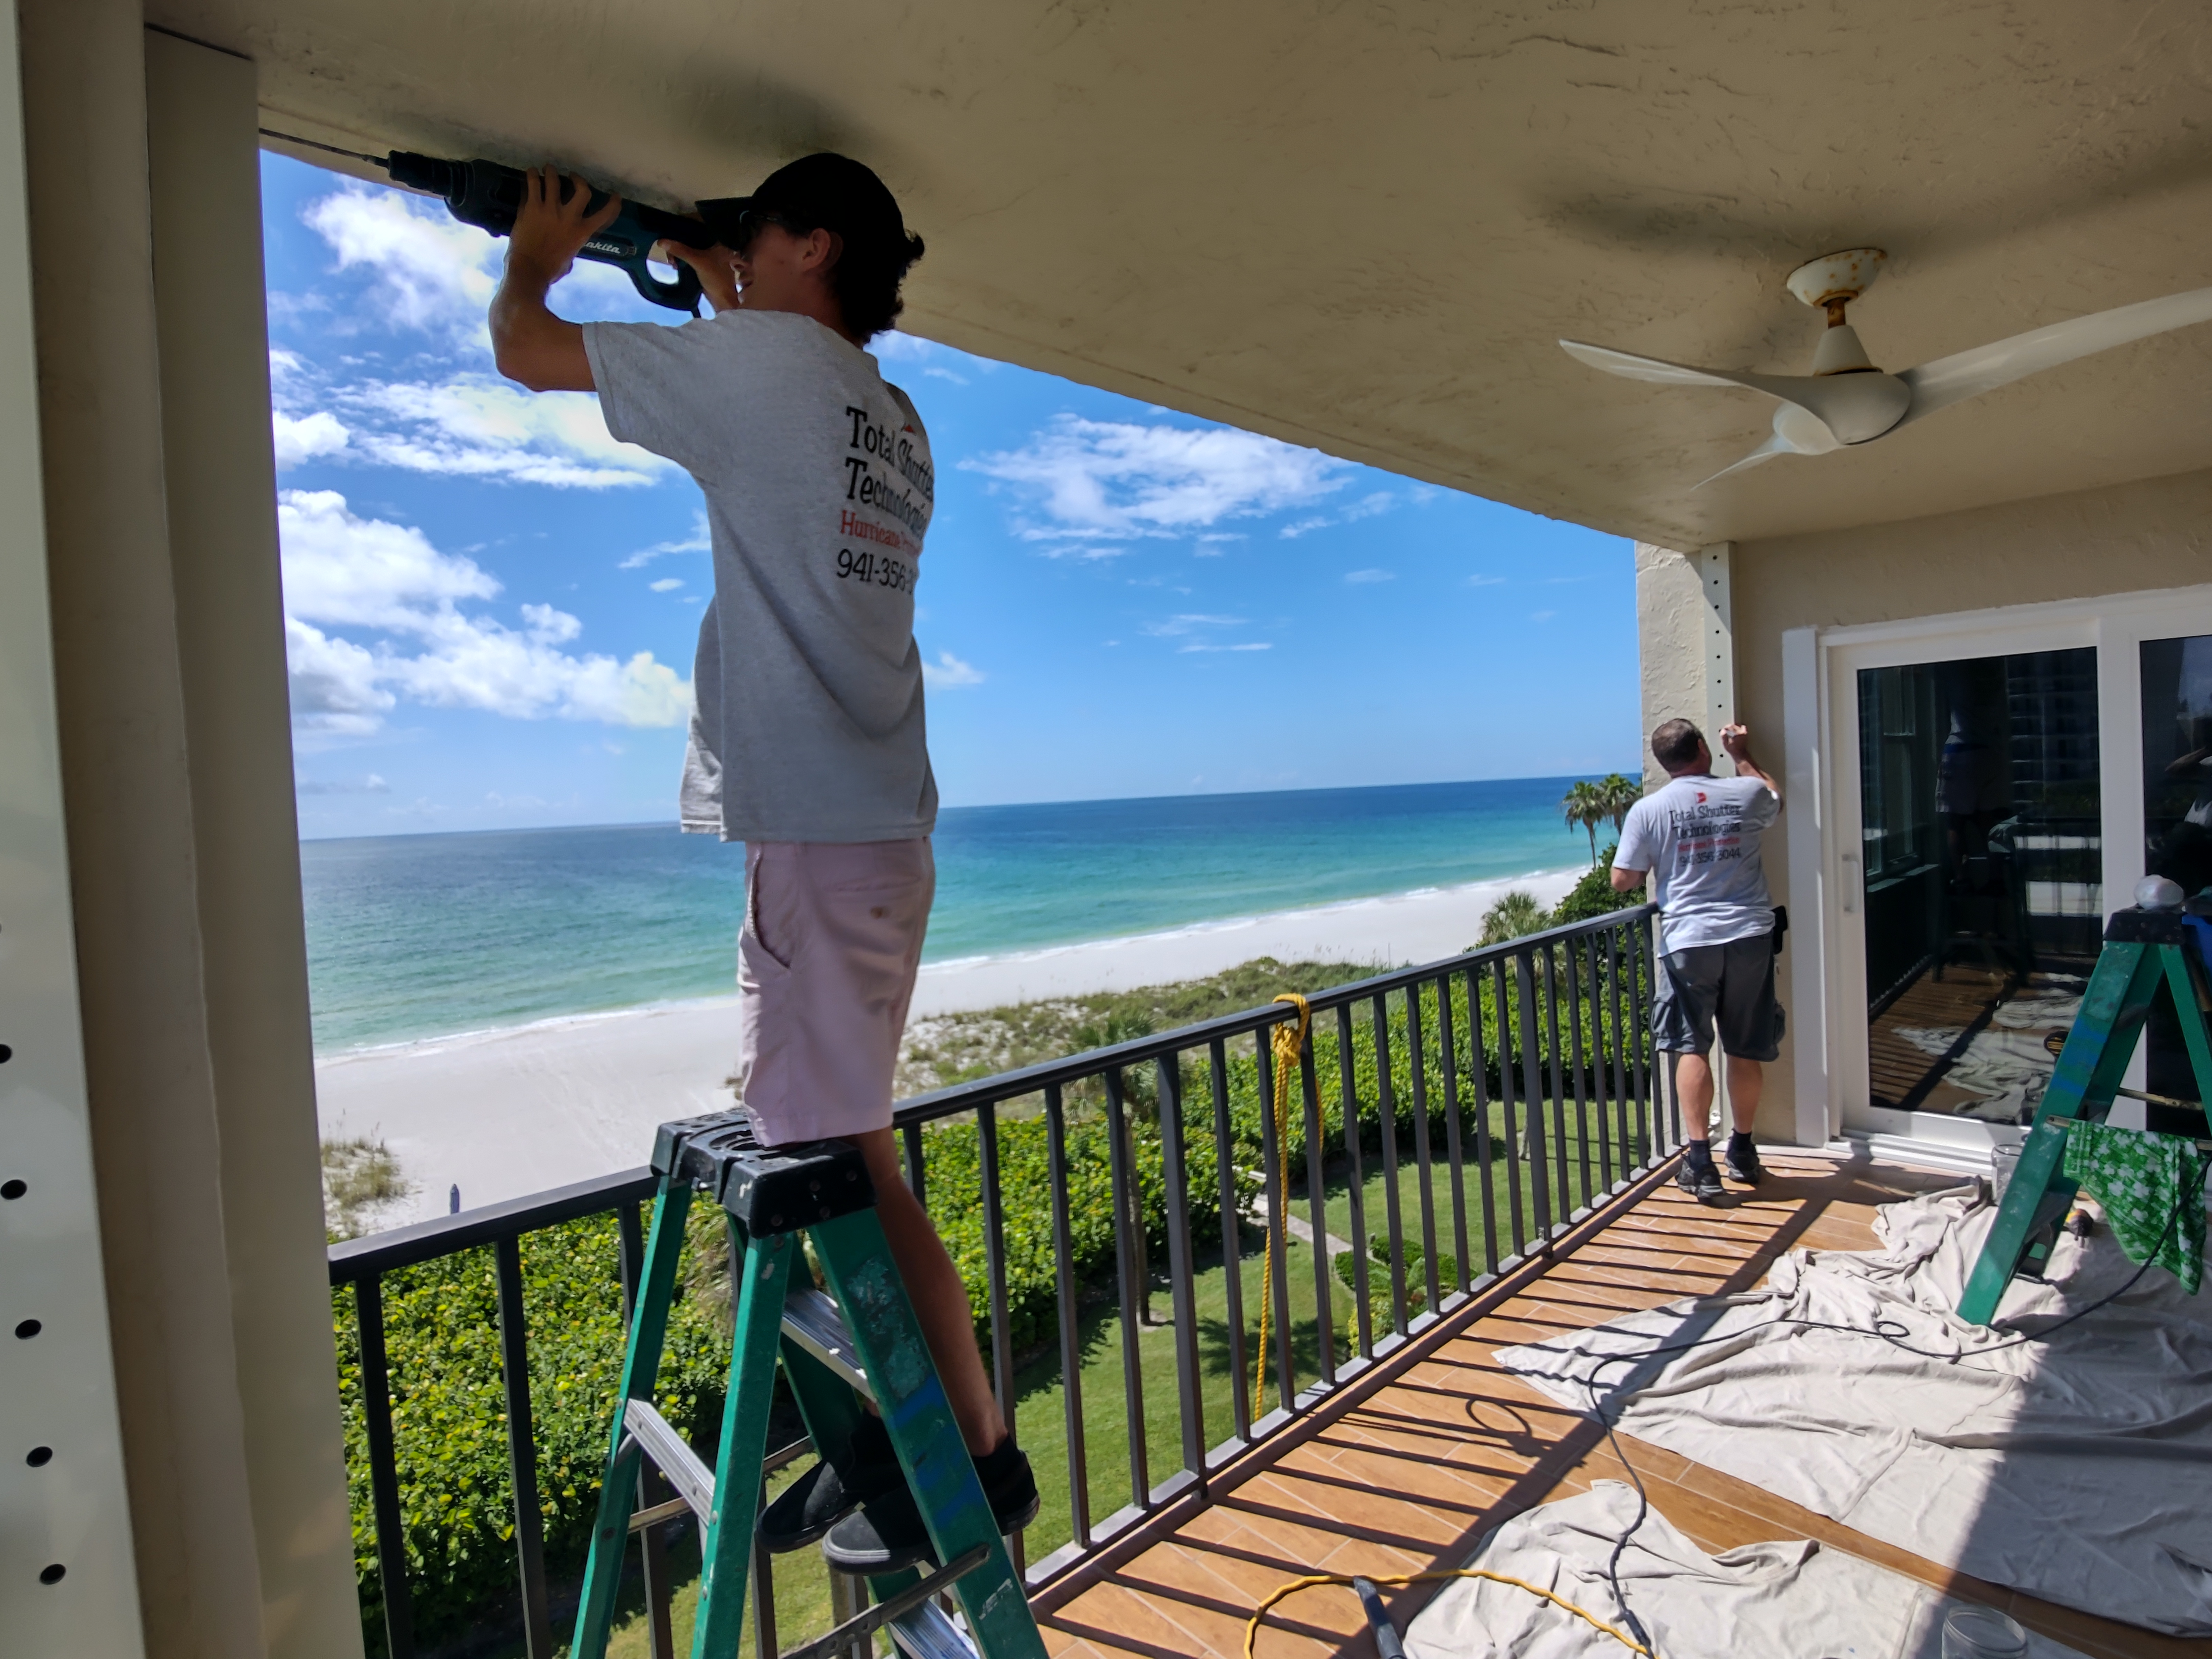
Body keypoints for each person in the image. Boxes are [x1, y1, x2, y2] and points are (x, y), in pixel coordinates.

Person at [488, 154, 1034, 1572]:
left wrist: (537, 252)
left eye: (750, 238)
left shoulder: (764, 378)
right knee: (852, 1154)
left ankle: (961, 1463)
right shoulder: (895, 419)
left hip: (817, 836)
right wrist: (729, 296)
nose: (735, 256)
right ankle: (909, 1458)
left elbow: (523, 353)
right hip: (879, 829)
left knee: (847, 1173)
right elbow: (784, 386)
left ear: (809, 243)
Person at [1609, 719, 1785, 1203]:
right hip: (1749, 935)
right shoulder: (1743, 792)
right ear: (1704, 750)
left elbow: (1623, 880)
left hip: (1689, 942)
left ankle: (1701, 1161)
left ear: (1665, 765)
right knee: (1744, 1048)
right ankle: (1745, 1152)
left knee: (1693, 1047)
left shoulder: (1650, 810)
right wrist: (1743, 753)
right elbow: (1776, 799)